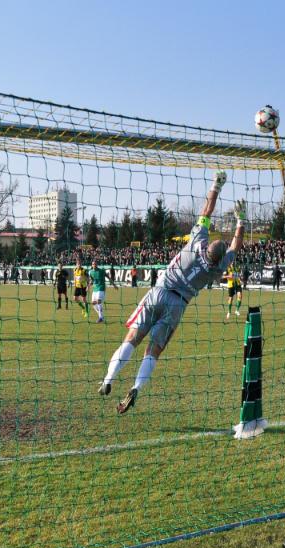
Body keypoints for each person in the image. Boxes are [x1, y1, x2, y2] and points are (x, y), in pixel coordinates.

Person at [99, 171, 242, 413]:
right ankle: (136, 388)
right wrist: (241, 222)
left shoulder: (197, 240)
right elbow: (236, 247)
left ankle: (108, 380)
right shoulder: (217, 270)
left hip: (159, 291)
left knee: (132, 339)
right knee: (153, 350)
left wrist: (216, 186)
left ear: (207, 247)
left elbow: (206, 211)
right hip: (178, 304)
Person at [87, 259, 114, 323]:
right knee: (94, 303)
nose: (94, 265)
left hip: (101, 288)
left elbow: (108, 277)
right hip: (95, 289)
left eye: (95, 264)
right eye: (93, 264)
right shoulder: (90, 272)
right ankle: (101, 316)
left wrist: (114, 284)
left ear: (97, 264)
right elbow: (91, 280)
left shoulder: (101, 271)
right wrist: (88, 287)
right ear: (92, 265)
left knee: (98, 301)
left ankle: (100, 317)